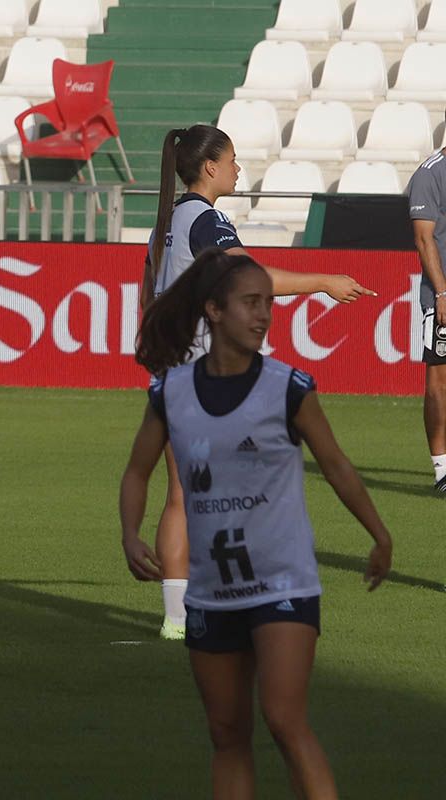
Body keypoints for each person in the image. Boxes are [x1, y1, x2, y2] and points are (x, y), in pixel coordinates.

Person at [120, 249, 392, 800]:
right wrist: (129, 532)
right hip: (211, 592)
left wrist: (378, 533)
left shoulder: (288, 387)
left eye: (267, 303)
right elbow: (136, 471)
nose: (264, 314)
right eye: (251, 303)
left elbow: (337, 466)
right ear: (214, 311)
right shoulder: (171, 393)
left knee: (284, 720)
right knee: (227, 736)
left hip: (283, 584)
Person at [143, 124, 375, 640]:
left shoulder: (168, 221)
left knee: (182, 496)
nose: (237, 168)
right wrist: (322, 282)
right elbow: (250, 280)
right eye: (231, 160)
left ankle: (178, 619)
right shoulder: (207, 220)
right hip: (208, 378)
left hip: (172, 371)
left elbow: (149, 295)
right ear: (209, 168)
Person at [407, 137, 446, 493]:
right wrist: (442, 291)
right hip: (443, 296)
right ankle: (442, 470)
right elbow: (424, 239)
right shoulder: (430, 174)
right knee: (439, 383)